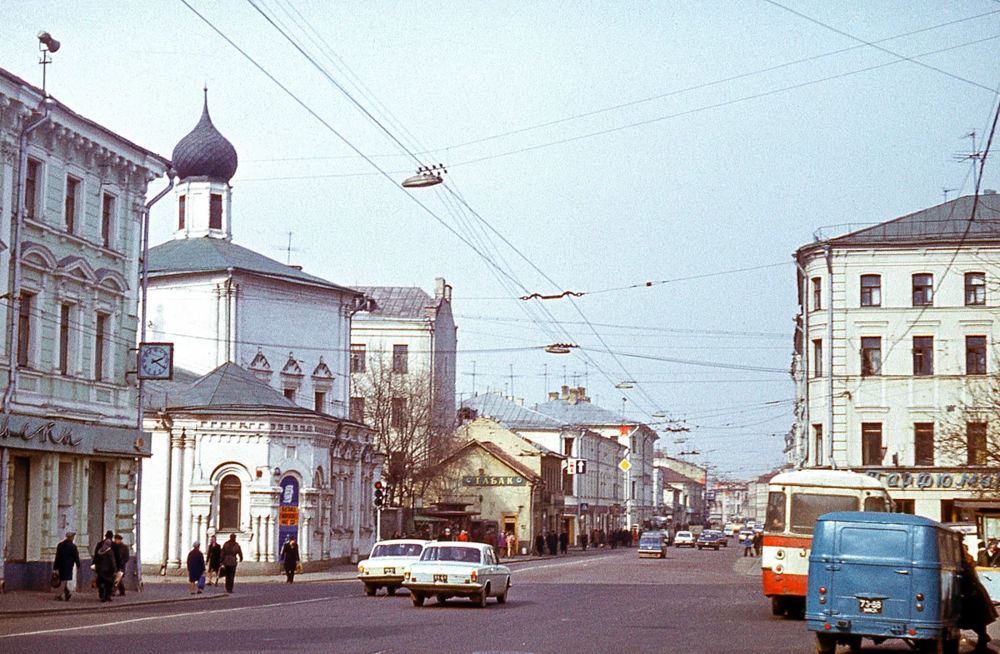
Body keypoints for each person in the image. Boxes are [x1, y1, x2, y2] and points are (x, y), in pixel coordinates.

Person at [961, 543, 998, 649]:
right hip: (975, 592)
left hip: (973, 594)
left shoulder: (964, 563)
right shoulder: (966, 561)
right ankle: (983, 641)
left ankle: (983, 643)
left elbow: (968, 578)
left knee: (975, 619)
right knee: (977, 620)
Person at [53, 531, 80, 601]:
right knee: (64, 580)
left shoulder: (60, 545)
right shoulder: (73, 546)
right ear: (70, 537)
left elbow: (57, 556)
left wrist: (55, 566)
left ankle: (66, 593)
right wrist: (78, 564)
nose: (73, 538)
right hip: (68, 566)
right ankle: (62, 595)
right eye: (72, 537)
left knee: (63, 579)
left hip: (60, 565)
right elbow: (76, 556)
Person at [93, 531, 119, 603]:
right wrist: (115, 570)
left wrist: (95, 565)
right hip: (109, 570)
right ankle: (107, 596)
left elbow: (95, 557)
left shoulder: (100, 547)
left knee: (101, 581)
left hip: (100, 569)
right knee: (109, 583)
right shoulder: (112, 548)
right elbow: (114, 560)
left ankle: (101, 592)